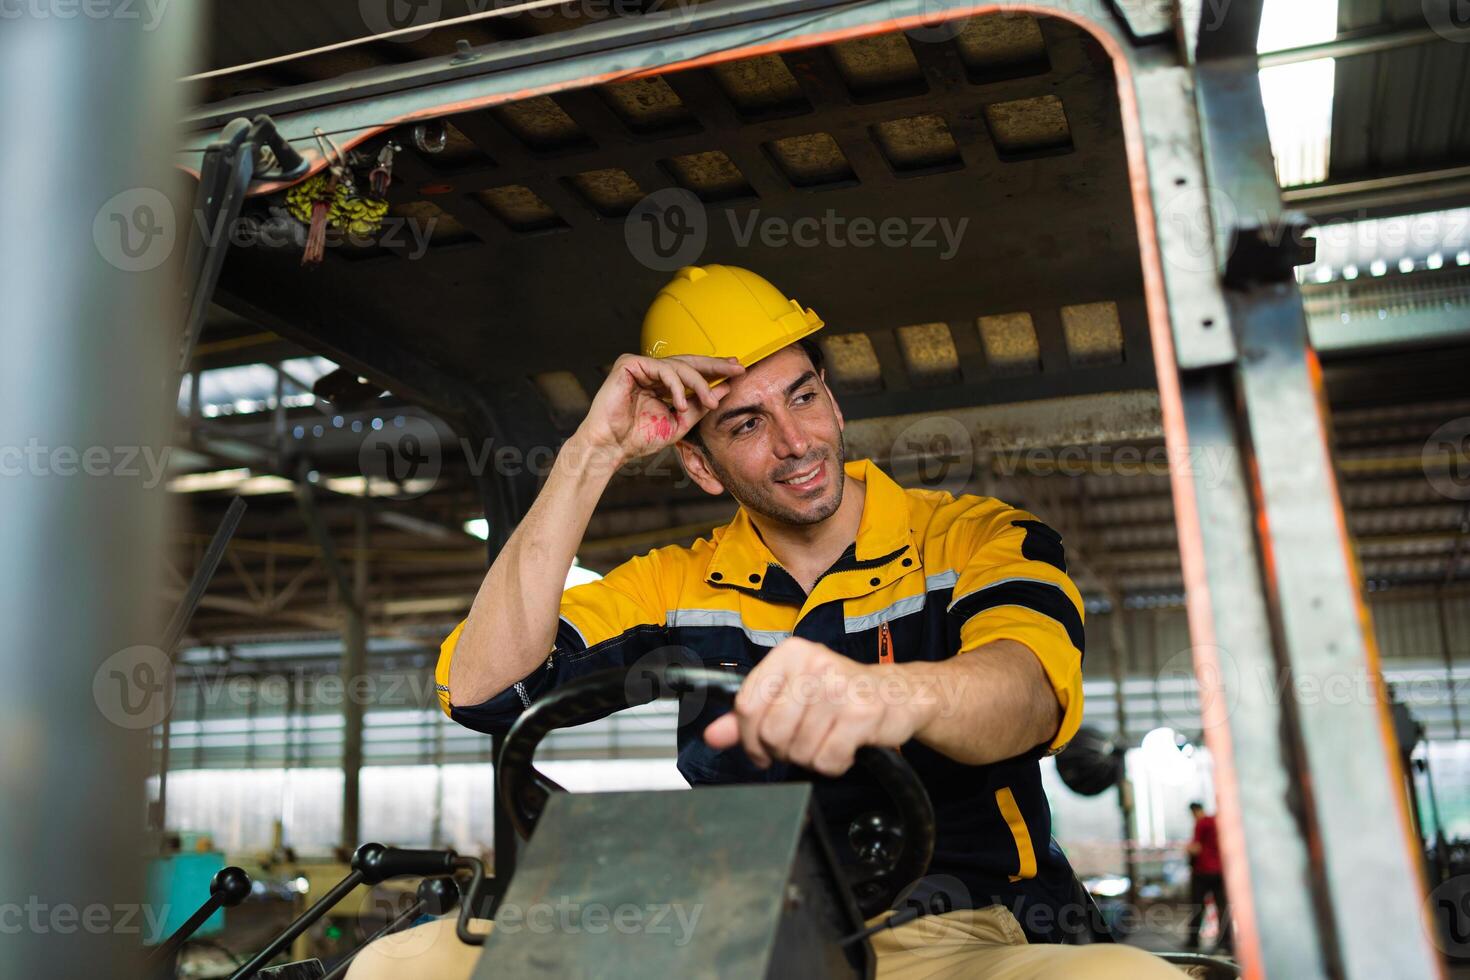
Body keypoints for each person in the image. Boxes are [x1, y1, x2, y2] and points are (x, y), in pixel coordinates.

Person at [349, 265, 1184, 978]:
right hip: (726, 928)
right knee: (399, 965)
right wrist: (590, 452)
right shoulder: (677, 582)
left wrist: (890, 696)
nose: (796, 442)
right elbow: (482, 689)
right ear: (700, 465)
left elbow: (1028, 693)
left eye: (804, 396)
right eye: (746, 424)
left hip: (950, 931)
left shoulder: (975, 539)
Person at [1185, 801, 1230, 954]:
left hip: (1202, 872)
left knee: (1197, 906)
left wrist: (1187, 851)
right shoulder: (1218, 822)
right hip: (1220, 871)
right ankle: (1226, 941)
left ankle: (1193, 940)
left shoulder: (1201, 823)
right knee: (1222, 907)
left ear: (1194, 811)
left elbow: (1196, 848)